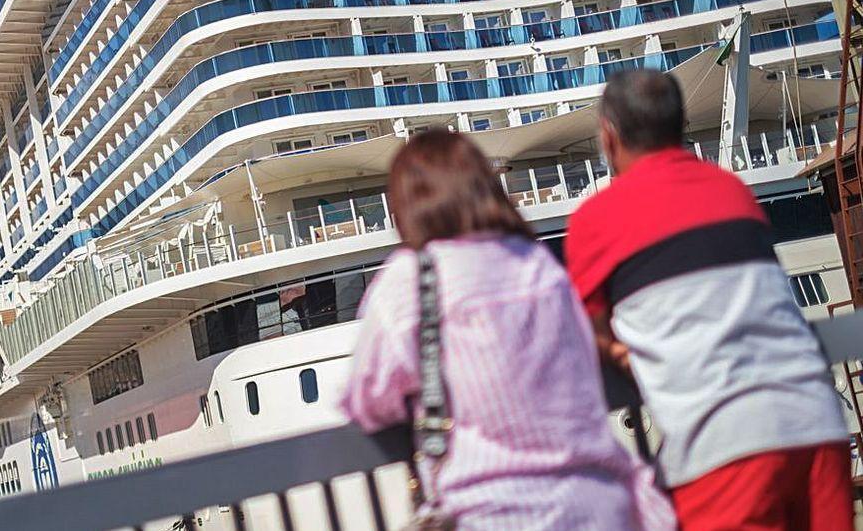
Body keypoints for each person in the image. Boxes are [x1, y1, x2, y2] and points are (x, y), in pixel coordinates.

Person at [340, 129, 675, 530]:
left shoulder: (411, 278)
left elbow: (367, 398)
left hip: (493, 513)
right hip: (601, 505)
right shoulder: (537, 261)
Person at [565, 69, 852, 530]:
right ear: (678, 126)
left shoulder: (596, 221)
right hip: (816, 417)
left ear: (609, 135)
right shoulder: (732, 191)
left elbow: (586, 335)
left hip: (725, 444)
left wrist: (620, 347)